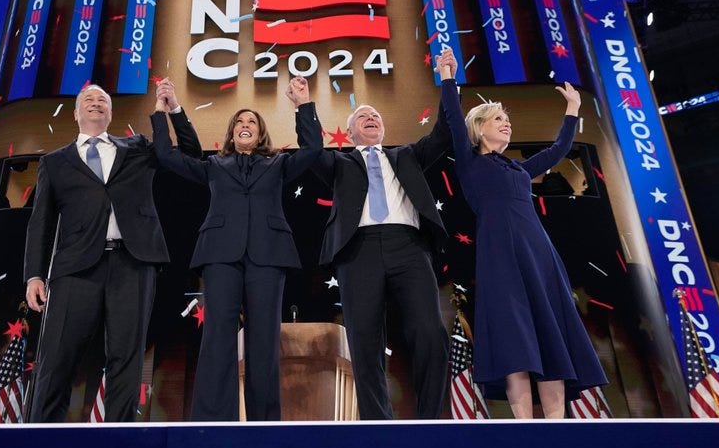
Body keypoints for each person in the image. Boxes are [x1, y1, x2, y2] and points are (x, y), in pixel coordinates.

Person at [435, 51, 607, 419]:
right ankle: (524, 429)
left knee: (550, 335)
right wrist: (448, 76)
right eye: (499, 119)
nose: (506, 124)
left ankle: (556, 427)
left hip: (539, 255)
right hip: (500, 257)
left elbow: (559, 149)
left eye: (507, 119)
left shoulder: (518, 169)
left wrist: (573, 109)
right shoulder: (469, 162)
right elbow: (452, 118)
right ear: (480, 128)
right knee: (515, 341)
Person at [24, 80, 202, 422]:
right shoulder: (54, 162)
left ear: (110, 113)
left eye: (102, 99)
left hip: (132, 264)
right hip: (75, 268)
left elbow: (191, 154)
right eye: (88, 99)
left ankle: (119, 437)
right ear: (76, 114)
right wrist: (34, 273)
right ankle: (41, 436)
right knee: (57, 355)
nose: (95, 102)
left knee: (126, 356)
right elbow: (41, 223)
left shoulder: (136, 148)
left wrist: (173, 109)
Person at [150, 76, 321, 421]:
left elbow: (314, 149)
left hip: (268, 256)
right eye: (239, 122)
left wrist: (303, 104)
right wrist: (163, 111)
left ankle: (264, 424)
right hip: (220, 256)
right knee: (217, 339)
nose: (245, 126)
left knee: (264, 342)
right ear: (231, 134)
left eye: (252, 123)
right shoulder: (213, 166)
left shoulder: (279, 164)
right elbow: (167, 155)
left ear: (260, 134)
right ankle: (212, 422)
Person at [312, 67, 453, 420]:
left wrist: (449, 80)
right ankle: (379, 422)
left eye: (375, 116)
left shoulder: (405, 155)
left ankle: (433, 421)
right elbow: (311, 150)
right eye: (362, 116)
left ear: (383, 128)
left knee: (430, 332)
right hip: (357, 251)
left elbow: (445, 132)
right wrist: (303, 106)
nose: (371, 118)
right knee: (364, 341)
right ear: (352, 131)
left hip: (408, 245)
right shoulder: (339, 162)